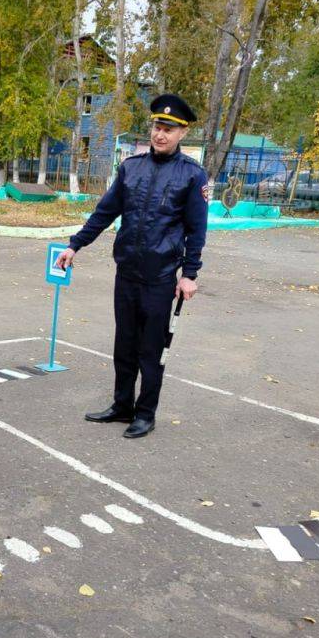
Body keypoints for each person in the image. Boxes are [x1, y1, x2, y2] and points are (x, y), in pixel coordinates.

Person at [55, 94, 209, 439]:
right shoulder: (131, 168)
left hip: (159, 278)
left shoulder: (192, 176)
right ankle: (121, 405)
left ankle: (145, 413)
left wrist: (189, 274)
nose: (161, 134)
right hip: (126, 273)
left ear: (182, 134)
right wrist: (75, 244)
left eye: (169, 129)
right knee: (123, 345)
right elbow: (105, 212)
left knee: (150, 350)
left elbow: (197, 230)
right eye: (157, 126)